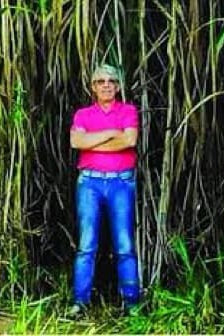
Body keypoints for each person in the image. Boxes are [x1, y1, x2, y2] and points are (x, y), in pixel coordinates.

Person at [67, 63, 140, 317]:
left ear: (118, 87)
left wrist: (92, 143)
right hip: (90, 184)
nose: (106, 85)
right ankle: (80, 303)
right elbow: (76, 141)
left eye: (111, 81)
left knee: (124, 245)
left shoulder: (128, 111)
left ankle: (131, 303)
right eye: (101, 81)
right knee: (86, 245)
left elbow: (130, 139)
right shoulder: (83, 114)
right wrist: (111, 133)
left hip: (121, 183)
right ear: (93, 87)